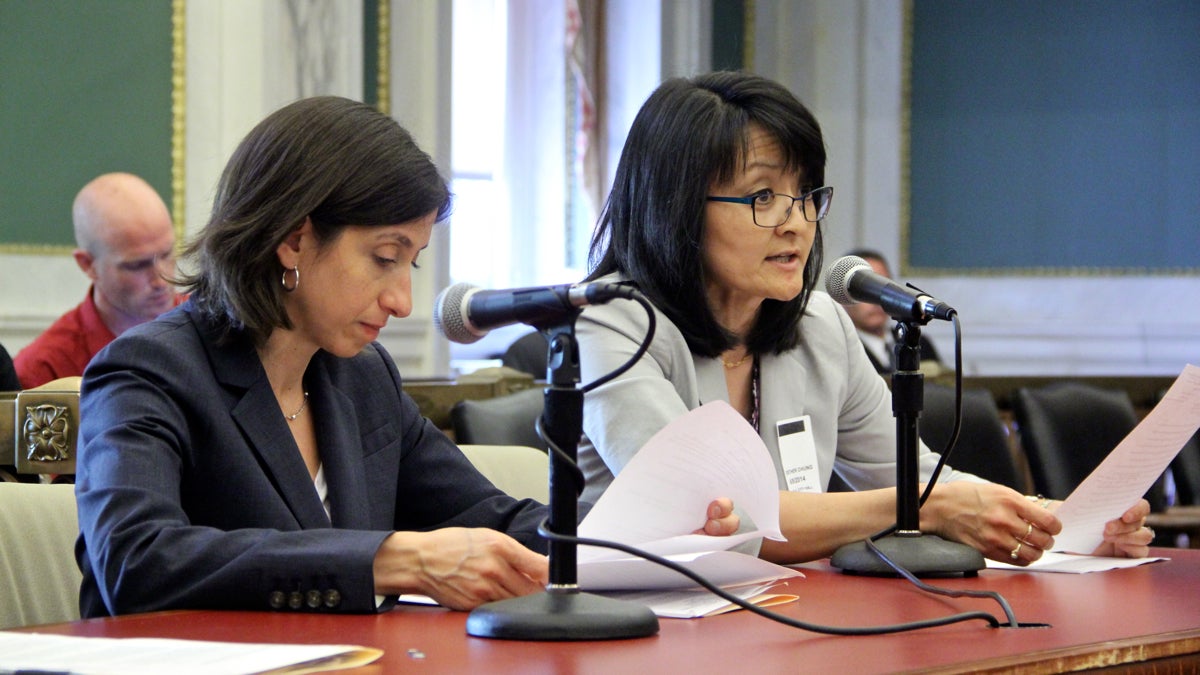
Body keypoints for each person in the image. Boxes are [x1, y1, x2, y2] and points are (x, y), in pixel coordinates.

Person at [74, 96, 737, 619]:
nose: (402, 299)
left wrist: (649, 536)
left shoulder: (359, 377)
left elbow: (496, 522)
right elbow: (137, 559)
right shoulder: (148, 371)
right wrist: (396, 559)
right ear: (293, 239)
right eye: (384, 258)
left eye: (412, 262)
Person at [575, 71, 1152, 566]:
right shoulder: (612, 322)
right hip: (644, 625)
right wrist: (923, 509)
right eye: (763, 197)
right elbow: (711, 513)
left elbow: (914, 475)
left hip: (789, 621)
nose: (797, 223)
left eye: (805, 195)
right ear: (675, 207)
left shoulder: (818, 325)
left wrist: (1059, 525)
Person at [14, 172, 183, 389]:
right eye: (137, 265)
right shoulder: (44, 371)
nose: (163, 279)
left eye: (167, 254)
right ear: (87, 264)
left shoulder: (210, 329)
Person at [838, 248, 944, 374]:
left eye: (884, 287)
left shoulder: (919, 343)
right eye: (865, 289)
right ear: (844, 296)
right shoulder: (843, 353)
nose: (876, 298)